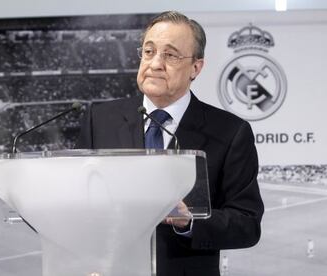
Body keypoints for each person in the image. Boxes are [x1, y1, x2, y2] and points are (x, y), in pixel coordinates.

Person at [77, 11, 264, 276]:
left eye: (170, 55)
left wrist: (189, 221)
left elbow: (247, 223)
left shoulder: (230, 132)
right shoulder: (100, 119)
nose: (155, 64)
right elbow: (76, 201)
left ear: (196, 68)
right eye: (149, 51)